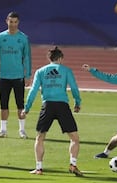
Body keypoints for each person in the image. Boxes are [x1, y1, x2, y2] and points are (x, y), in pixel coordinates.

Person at [22, 47, 83, 176]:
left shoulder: (40, 71)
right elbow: (74, 87)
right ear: (60, 58)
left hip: (47, 105)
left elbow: (33, 91)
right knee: (74, 138)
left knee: (40, 138)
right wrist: (77, 102)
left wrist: (26, 108)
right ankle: (73, 164)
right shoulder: (66, 70)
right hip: (62, 106)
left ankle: (39, 168)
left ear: (49, 58)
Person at [0, 11, 32, 139]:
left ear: (18, 22)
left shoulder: (23, 38)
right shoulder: (0, 37)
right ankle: (3, 130)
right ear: (6, 21)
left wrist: (28, 75)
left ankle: (22, 130)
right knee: (3, 104)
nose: (13, 24)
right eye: (10, 21)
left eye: (15, 22)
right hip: (4, 77)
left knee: (20, 104)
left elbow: (27, 58)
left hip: (18, 77)